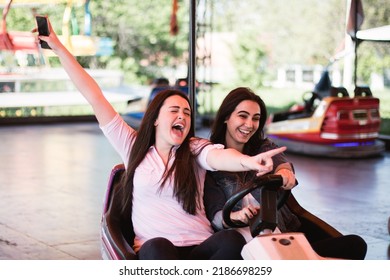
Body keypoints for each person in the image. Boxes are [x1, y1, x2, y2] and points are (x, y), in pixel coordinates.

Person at [36, 18, 287, 260]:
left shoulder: (194, 148)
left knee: (234, 241)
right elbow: (94, 96)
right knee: (158, 246)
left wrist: (249, 162)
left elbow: (221, 157)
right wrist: (59, 49)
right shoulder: (132, 145)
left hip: (200, 249)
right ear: (156, 118)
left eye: (187, 113)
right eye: (174, 111)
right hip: (157, 249)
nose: (182, 116)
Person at [204, 87, 367, 260]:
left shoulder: (263, 147)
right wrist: (237, 216)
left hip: (285, 238)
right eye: (242, 116)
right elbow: (216, 215)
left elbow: (282, 164)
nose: (249, 124)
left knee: (355, 245)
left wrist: (285, 174)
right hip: (248, 248)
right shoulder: (211, 159)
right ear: (226, 117)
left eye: (256, 118)